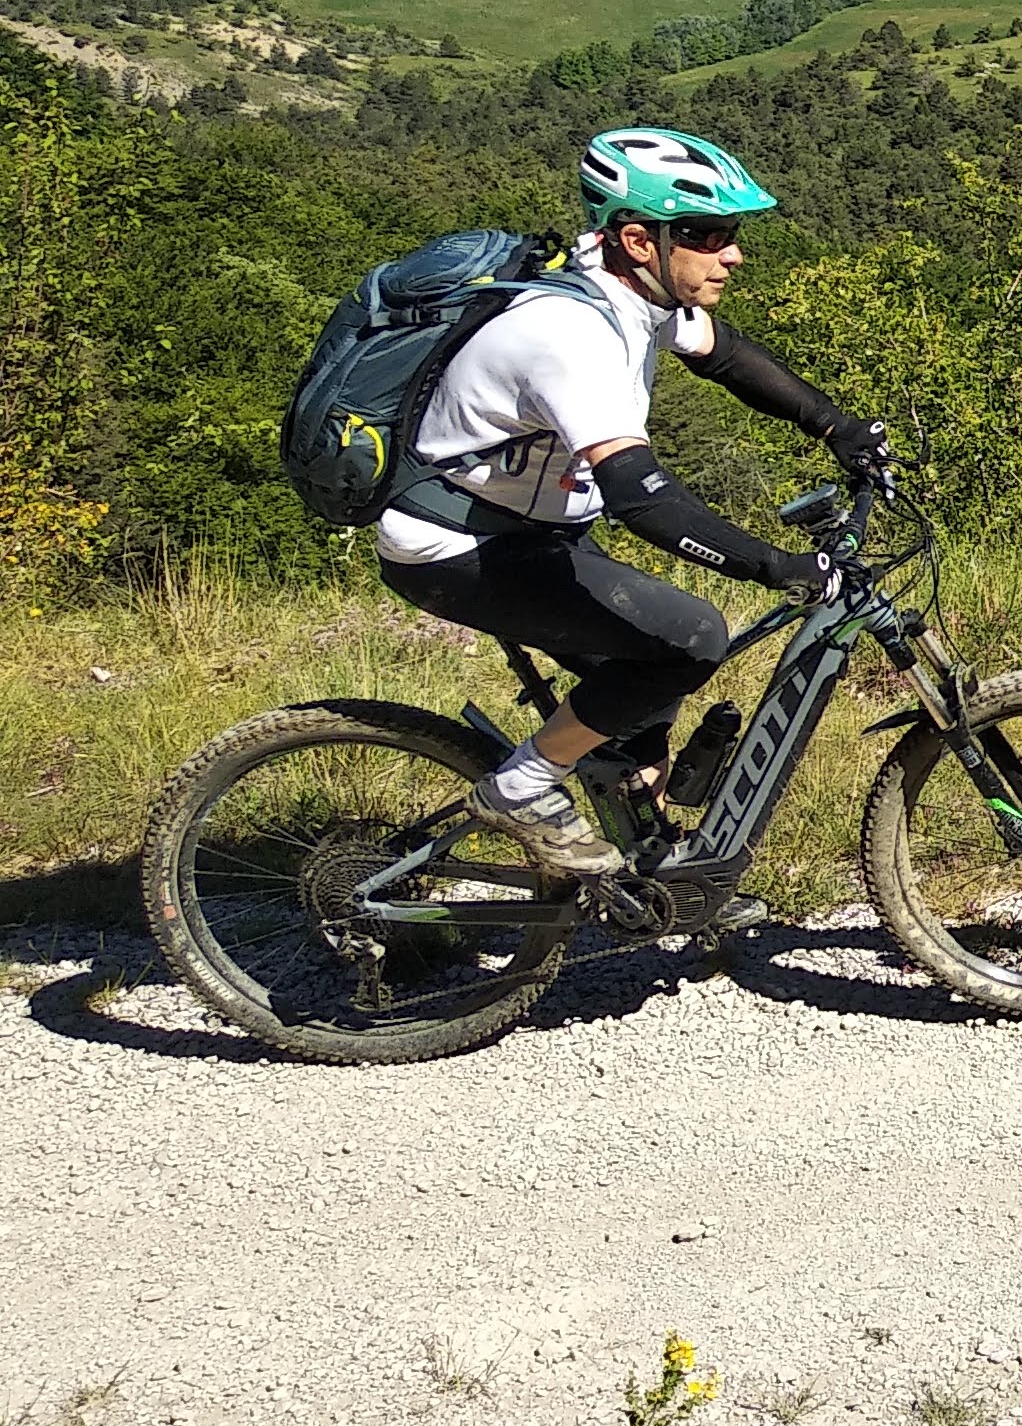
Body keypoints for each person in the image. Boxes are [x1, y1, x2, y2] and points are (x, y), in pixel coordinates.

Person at [373, 127, 890, 880]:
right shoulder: (569, 334)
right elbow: (641, 499)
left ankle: (640, 875)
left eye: (732, 234)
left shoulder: (632, 291)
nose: (733, 254)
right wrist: (777, 565)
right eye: (709, 235)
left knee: (642, 694)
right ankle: (518, 793)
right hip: (458, 544)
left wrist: (836, 426)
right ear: (640, 240)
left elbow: (729, 357)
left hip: (532, 529)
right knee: (690, 637)